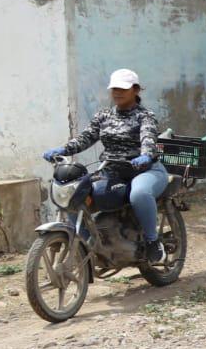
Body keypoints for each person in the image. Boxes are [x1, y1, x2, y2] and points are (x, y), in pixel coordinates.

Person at [43, 69, 170, 264]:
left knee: (139, 194)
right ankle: (91, 246)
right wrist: (63, 149)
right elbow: (86, 138)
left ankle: (153, 242)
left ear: (135, 90)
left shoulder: (145, 116)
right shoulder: (103, 116)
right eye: (114, 89)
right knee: (76, 196)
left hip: (145, 169)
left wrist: (145, 156)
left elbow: (148, 138)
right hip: (112, 170)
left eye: (123, 89)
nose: (117, 93)